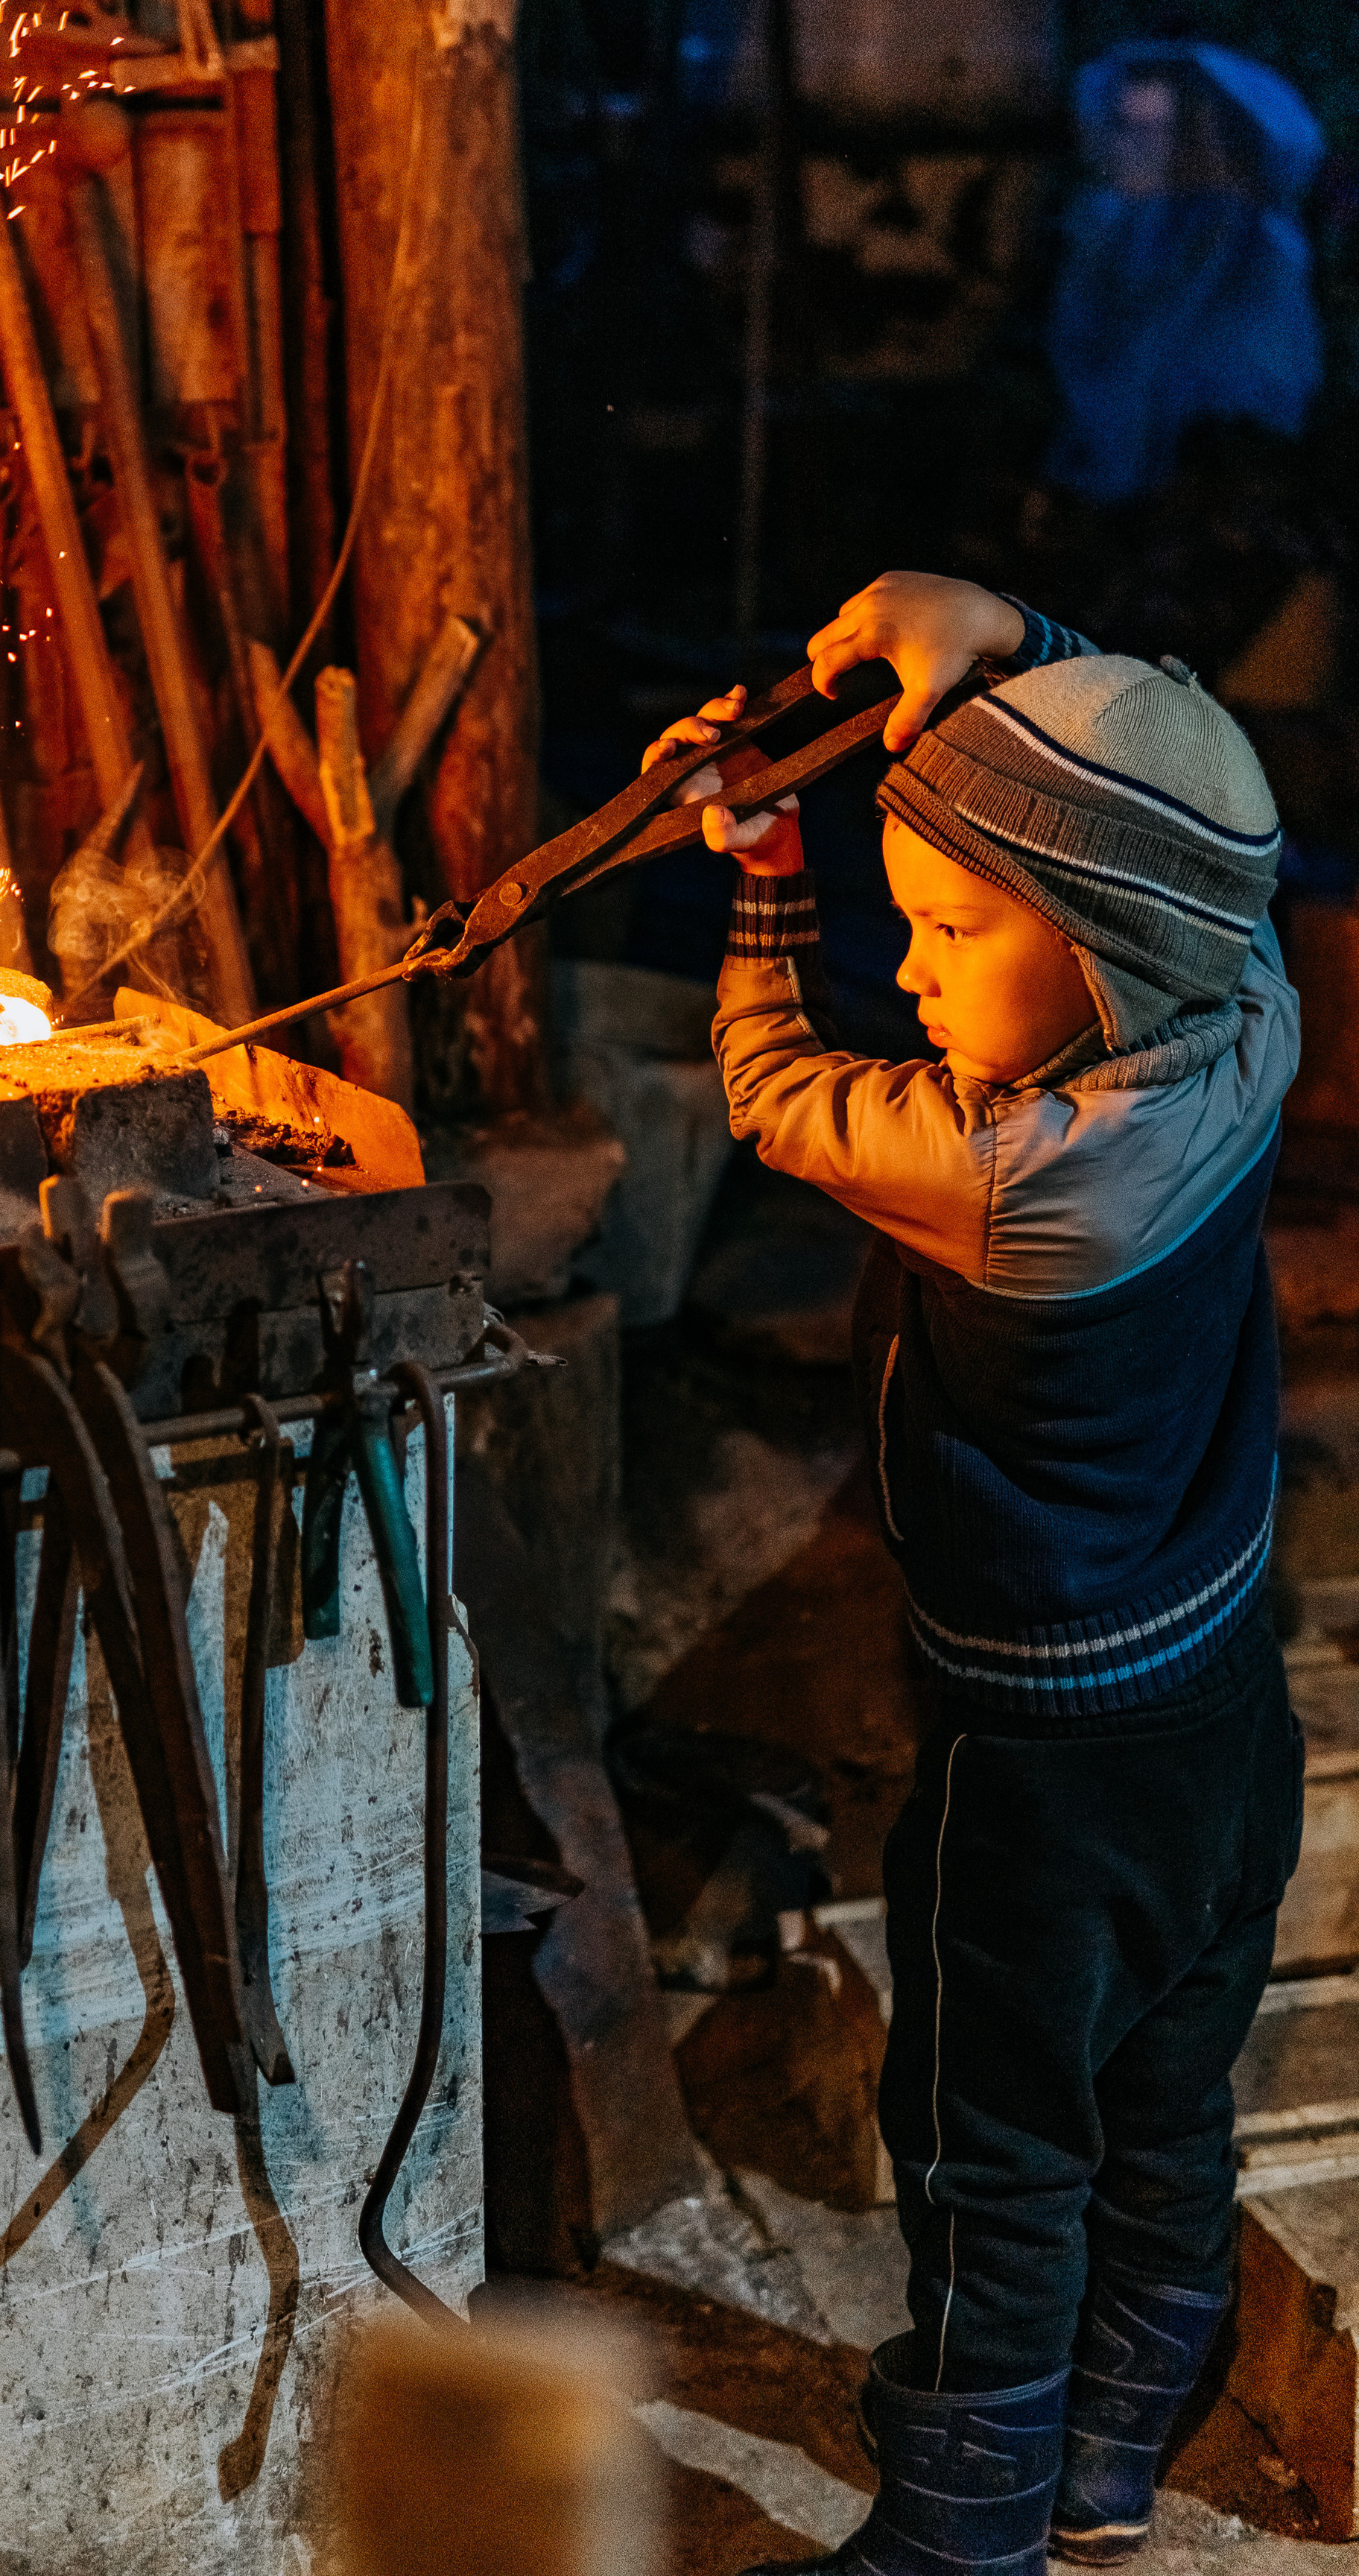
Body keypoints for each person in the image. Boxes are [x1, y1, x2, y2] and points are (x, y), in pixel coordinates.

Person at [647, 572, 1304, 2576]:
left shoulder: (1016, 1182)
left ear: (1101, 953)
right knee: (1166, 2094)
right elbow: (1170, 806)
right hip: (1219, 1729)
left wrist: (764, 885)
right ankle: (1114, 2443)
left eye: (946, 930)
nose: (909, 975)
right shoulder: (1249, 1023)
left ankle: (968, 2516)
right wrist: (998, 640)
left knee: (988, 2145)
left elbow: (769, 1091)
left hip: (1039, 1770)